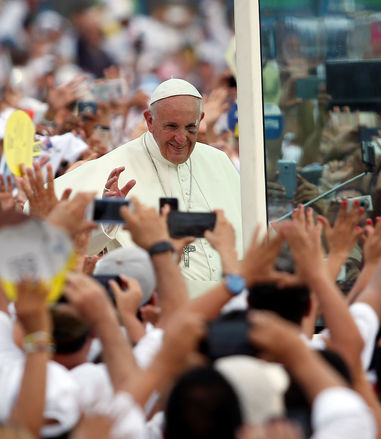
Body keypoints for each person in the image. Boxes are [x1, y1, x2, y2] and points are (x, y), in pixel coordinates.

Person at [54, 78, 243, 298]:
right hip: (156, 308)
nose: (181, 138)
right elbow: (74, 245)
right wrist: (108, 213)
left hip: (225, 301)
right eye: (171, 127)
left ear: (200, 120)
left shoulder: (218, 161)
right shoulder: (115, 165)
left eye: (190, 127)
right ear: (150, 121)